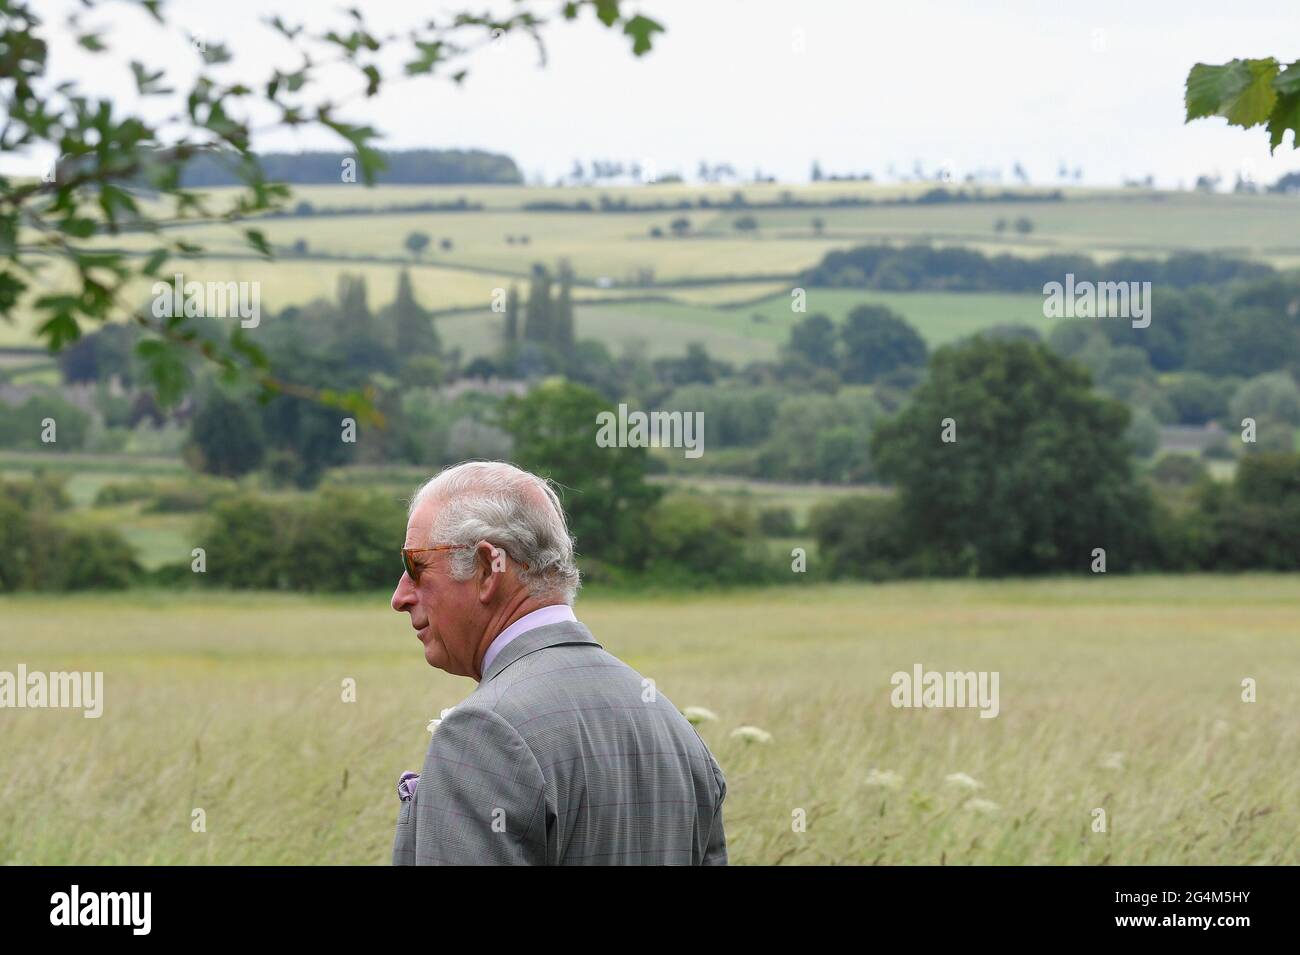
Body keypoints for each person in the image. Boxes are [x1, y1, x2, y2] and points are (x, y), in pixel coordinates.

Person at [390, 460, 728, 865]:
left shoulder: (484, 732)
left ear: (486, 569)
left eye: (416, 566)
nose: (400, 596)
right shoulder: (676, 730)